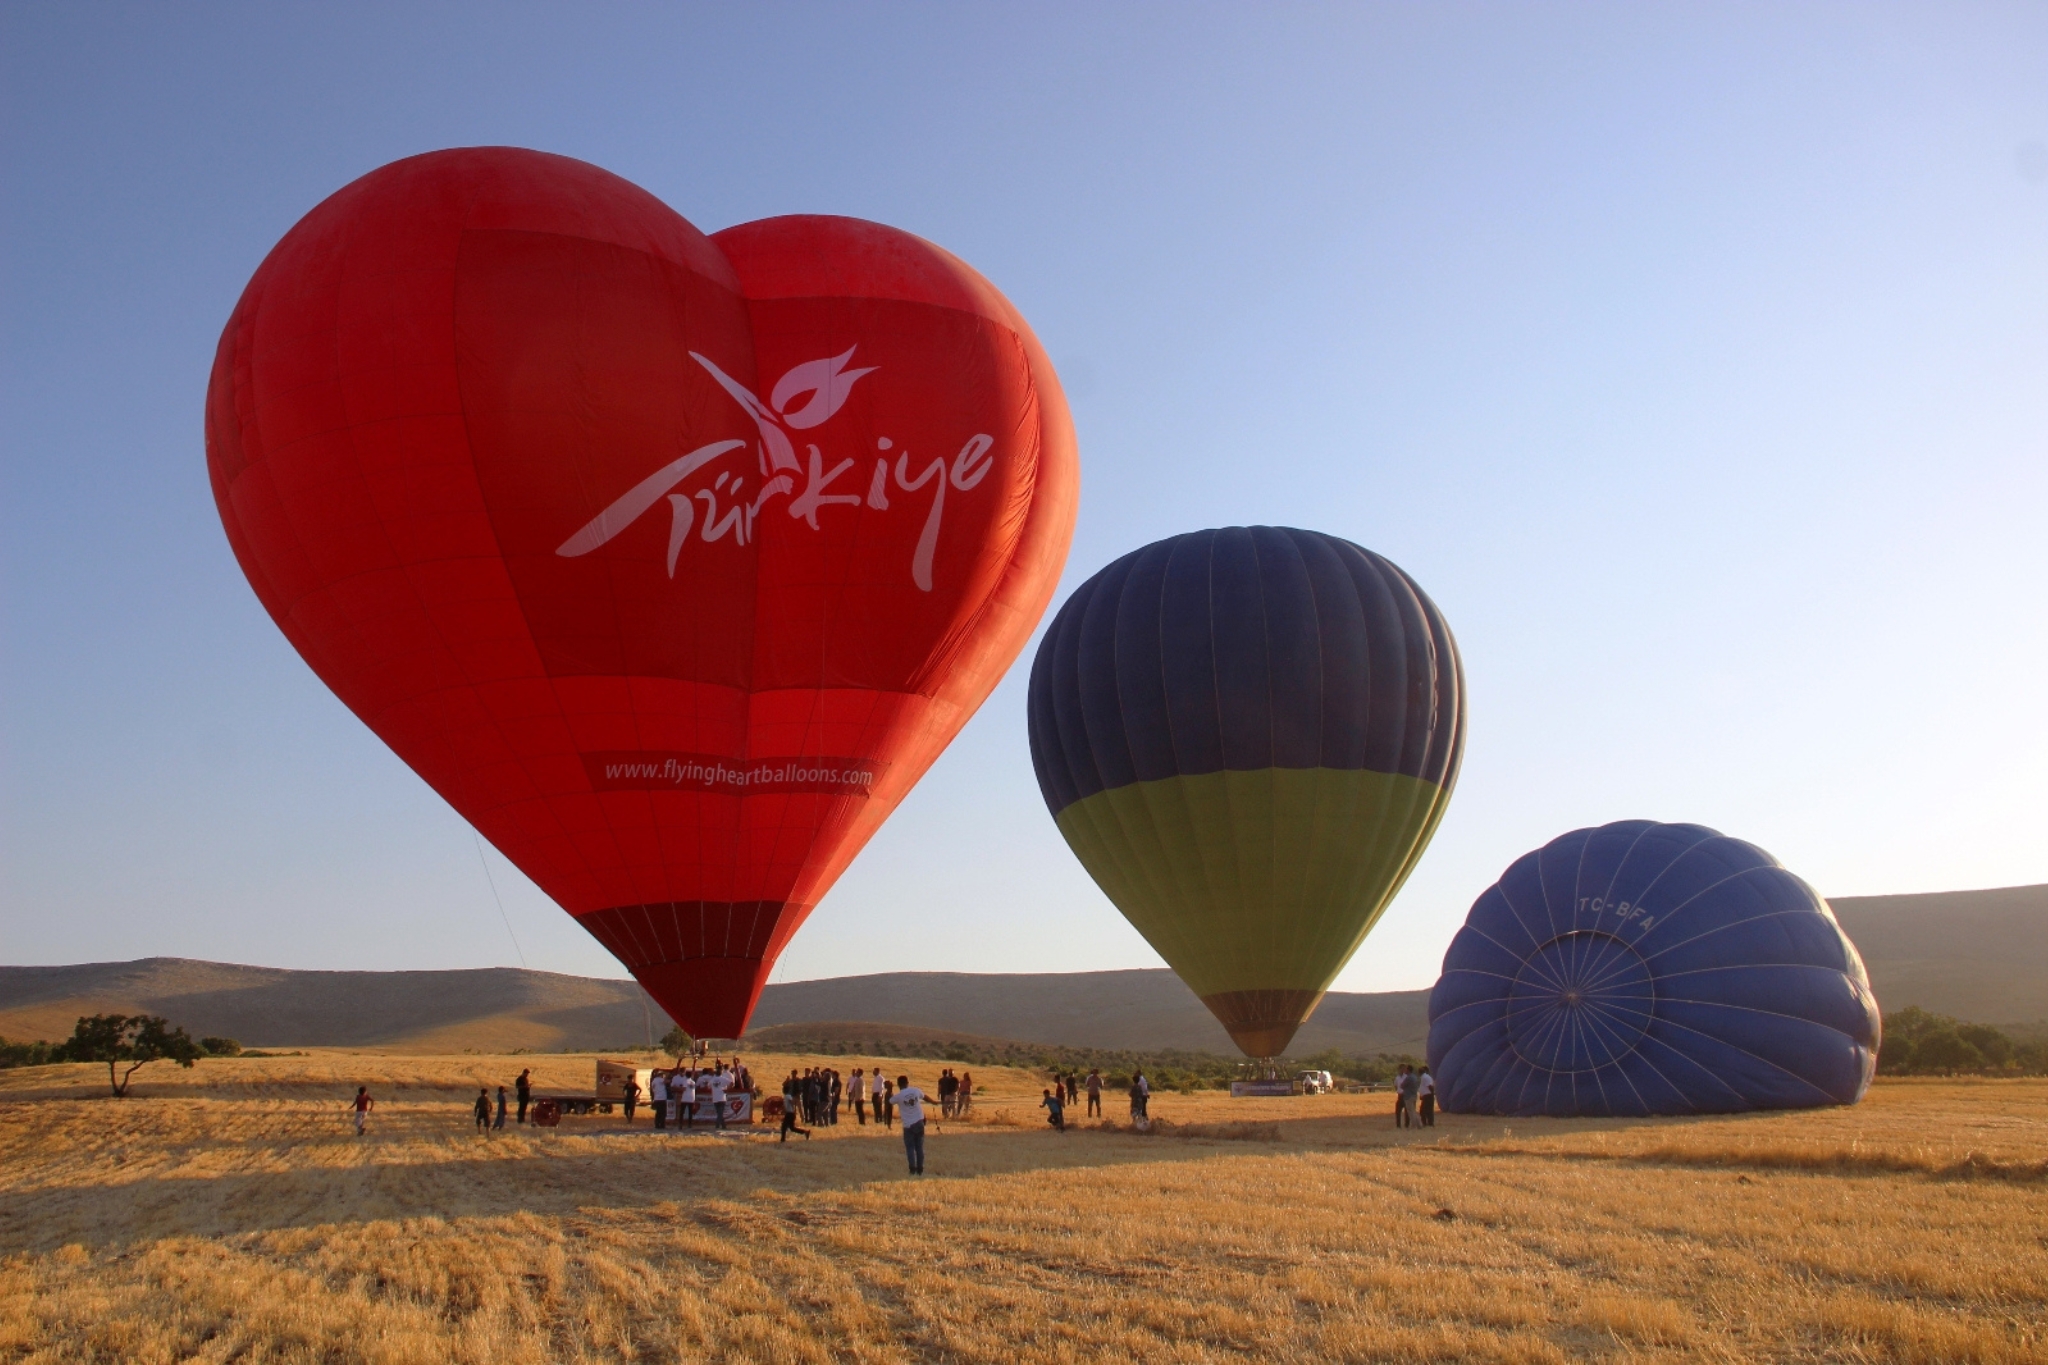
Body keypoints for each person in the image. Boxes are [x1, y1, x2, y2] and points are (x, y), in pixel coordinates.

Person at [891, 1074, 929, 1174]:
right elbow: (925, 1097)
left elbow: (889, 1101)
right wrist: (934, 1102)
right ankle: (920, 1169)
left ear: (898, 1084)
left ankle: (912, 1169)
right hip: (919, 1123)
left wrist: (889, 1089)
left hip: (908, 1126)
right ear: (908, 1083)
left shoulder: (899, 1096)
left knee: (910, 1148)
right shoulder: (916, 1090)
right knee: (919, 1148)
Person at [780, 1071, 810, 1142]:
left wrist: (793, 1101)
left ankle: (782, 1140)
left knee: (784, 1127)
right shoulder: (788, 1095)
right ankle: (805, 1132)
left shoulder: (787, 1096)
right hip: (791, 1113)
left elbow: (792, 1102)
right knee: (792, 1128)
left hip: (789, 1114)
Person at [707, 1064, 730, 1130]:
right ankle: (722, 1125)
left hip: (715, 1098)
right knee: (720, 1113)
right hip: (722, 1097)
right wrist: (727, 1089)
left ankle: (720, 1125)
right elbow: (731, 1083)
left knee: (719, 1112)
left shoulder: (712, 1079)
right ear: (721, 1073)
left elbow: (708, 1086)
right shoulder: (723, 1079)